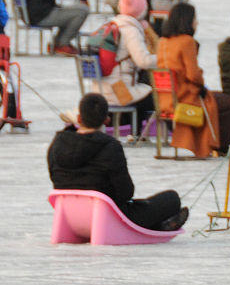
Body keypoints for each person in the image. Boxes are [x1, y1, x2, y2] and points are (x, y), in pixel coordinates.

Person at [48, 93, 188, 230]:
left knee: (141, 205)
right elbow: (125, 192)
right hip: (108, 216)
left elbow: (54, 177)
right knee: (172, 199)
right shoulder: (110, 146)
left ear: (79, 118)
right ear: (106, 120)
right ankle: (158, 226)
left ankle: (158, 226)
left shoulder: (57, 143)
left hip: (70, 214)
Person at [156, 2, 230, 157]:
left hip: (164, 98)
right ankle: (218, 146)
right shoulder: (187, 41)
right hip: (184, 96)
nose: (196, 22)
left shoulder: (162, 42)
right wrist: (202, 81)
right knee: (229, 103)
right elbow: (193, 75)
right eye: (195, 19)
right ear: (186, 20)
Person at [92, 0, 158, 136]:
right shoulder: (130, 30)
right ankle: (137, 134)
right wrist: (163, 58)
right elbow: (143, 61)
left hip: (100, 89)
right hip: (118, 91)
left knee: (143, 92)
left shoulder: (111, 24)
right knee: (157, 98)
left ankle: (135, 133)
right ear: (142, 11)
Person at [16, 0, 89, 55]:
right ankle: (62, 44)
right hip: (41, 15)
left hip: (33, 13)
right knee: (82, 11)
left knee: (74, 9)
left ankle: (58, 43)